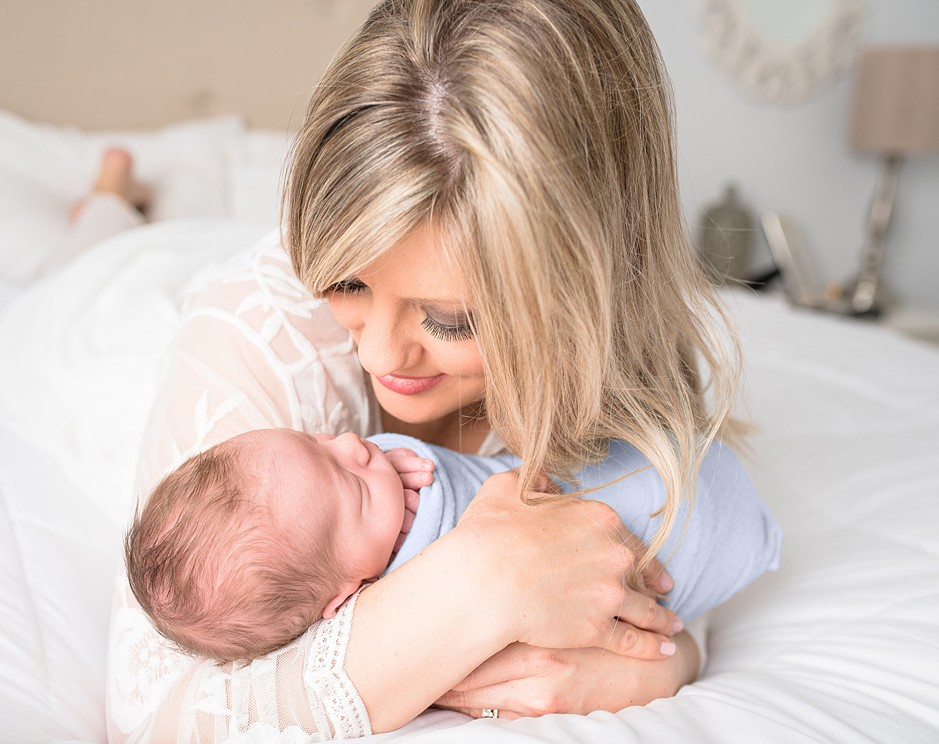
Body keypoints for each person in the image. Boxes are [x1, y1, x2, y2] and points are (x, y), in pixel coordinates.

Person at [105, 0, 754, 740]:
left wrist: (668, 662)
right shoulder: (261, 327)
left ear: (583, 289)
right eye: (346, 282)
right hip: (106, 309)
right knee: (101, 251)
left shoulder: (613, 346)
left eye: (450, 319)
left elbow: (684, 550)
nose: (379, 356)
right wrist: (483, 581)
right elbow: (152, 712)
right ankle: (108, 200)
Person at [125, 428, 779, 664]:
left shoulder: (360, 503)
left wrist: (387, 477)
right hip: (686, 550)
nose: (356, 446)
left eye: (318, 439)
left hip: (675, 463)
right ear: (348, 595)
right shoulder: (405, 599)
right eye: (351, 483)